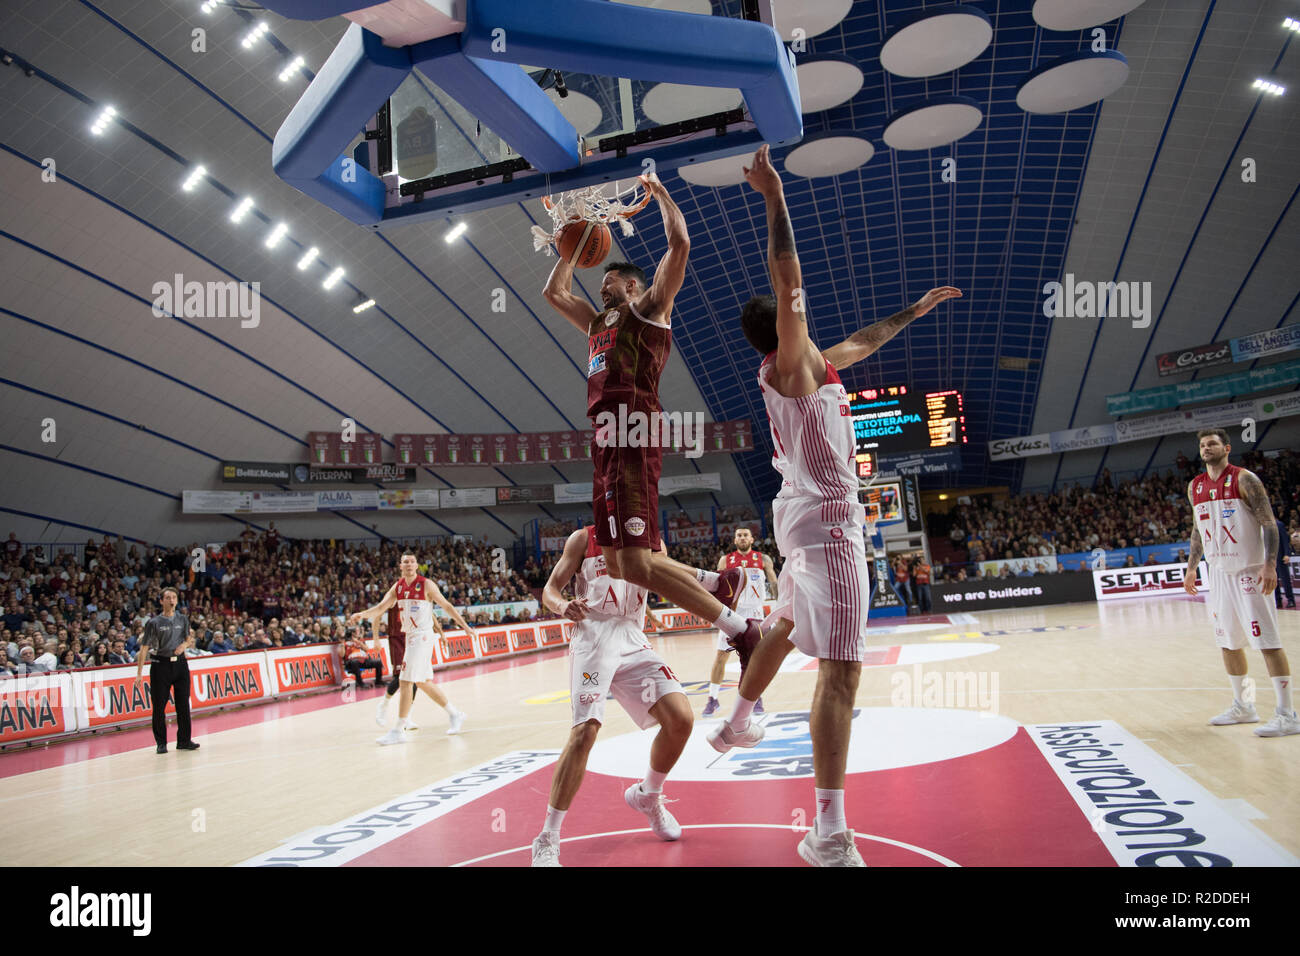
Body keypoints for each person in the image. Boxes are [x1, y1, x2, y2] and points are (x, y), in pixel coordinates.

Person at [711, 143, 961, 866]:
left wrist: (914, 309)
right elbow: (787, 277)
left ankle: (737, 721)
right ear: (785, 332)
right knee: (842, 672)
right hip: (827, 521)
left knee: (786, 623)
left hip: (800, 518)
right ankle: (829, 833)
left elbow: (864, 338)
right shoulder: (789, 363)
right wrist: (773, 194)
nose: (813, 327)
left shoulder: (816, 362)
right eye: (798, 321)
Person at [541, 173, 757, 655]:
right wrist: (571, 250)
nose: (602, 287)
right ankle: (717, 582)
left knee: (636, 565)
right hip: (604, 439)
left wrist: (659, 193)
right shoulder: (596, 323)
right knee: (618, 565)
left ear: (633, 285)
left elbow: (679, 243)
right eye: (598, 282)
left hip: (633, 431)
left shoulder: (651, 308)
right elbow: (553, 295)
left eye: (610, 281)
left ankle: (738, 627)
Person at [530, 527, 695, 867]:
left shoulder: (653, 541)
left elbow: (671, 580)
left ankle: (648, 795)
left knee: (681, 719)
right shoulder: (582, 539)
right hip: (592, 639)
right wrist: (562, 606)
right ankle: (547, 838)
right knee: (584, 731)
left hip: (633, 637)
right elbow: (549, 590)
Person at [1183, 429, 1296, 736]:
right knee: (1228, 642)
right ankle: (1244, 705)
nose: (1206, 448)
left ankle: (1287, 713)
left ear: (1227, 448)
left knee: (1267, 642)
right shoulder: (1195, 486)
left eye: (1213, 443)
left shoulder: (1245, 479)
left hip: (1249, 570)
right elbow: (1197, 530)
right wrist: (1192, 567)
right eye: (1203, 444)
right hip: (1218, 572)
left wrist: (1270, 564)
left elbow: (1269, 524)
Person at [347, 552, 474, 744]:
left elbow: (446, 606)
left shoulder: (426, 584)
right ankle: (455, 714)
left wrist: (464, 626)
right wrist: (361, 614)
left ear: (417, 566)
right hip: (410, 637)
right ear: (400, 566)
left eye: (412, 561)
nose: (409, 564)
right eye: (405, 562)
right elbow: (381, 608)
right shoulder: (397, 587)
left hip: (422, 636)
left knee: (405, 681)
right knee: (422, 682)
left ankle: (398, 730)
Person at [704, 527, 776, 717]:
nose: (742, 538)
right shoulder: (725, 560)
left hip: (755, 613)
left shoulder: (764, 559)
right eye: (739, 535)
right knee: (721, 656)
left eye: (745, 535)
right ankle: (712, 699)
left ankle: (756, 697)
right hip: (731, 613)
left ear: (752, 539)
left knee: (754, 659)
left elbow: (774, 583)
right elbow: (717, 587)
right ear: (735, 540)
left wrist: (778, 609)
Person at [133, 587, 200, 754]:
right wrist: (139, 673)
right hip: (160, 665)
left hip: (180, 665)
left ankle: (184, 740)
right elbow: (144, 648)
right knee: (159, 706)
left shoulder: (183, 619)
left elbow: (188, 638)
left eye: (174, 597)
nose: (172, 600)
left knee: (183, 704)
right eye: (168, 597)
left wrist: (183, 646)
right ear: (161, 601)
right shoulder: (153, 623)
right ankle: (161, 743)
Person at [1275, 515, 1295, 610]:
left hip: (1280, 556)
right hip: (1270, 558)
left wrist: (1287, 554)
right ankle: (1277, 600)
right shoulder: (1264, 526)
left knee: (1285, 579)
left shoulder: (1279, 524)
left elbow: (1285, 540)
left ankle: (1291, 600)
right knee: (1274, 581)